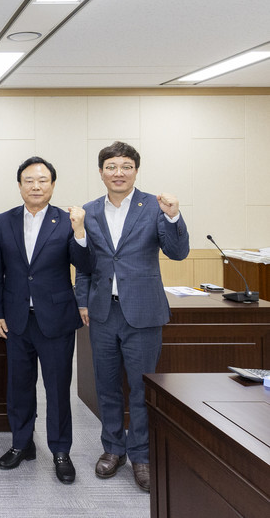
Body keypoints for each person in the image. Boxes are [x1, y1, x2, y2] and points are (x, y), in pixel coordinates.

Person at [75, 141, 189, 492]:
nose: (118, 172)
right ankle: (113, 449)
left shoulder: (155, 206)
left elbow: (178, 252)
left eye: (126, 166)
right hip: (103, 312)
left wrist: (173, 216)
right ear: (101, 172)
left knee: (141, 388)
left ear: (136, 171)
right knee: (107, 386)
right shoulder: (89, 211)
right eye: (111, 166)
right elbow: (85, 263)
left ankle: (141, 455)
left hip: (143, 311)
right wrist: (82, 301)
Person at [0, 156, 90, 484]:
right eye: (29, 180)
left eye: (43, 180)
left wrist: (80, 231)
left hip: (56, 319)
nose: (36, 186)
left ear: (53, 185)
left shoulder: (67, 220)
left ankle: (60, 451)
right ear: (19, 185)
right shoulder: (3, 221)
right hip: (17, 319)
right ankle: (21, 444)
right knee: (19, 387)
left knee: (57, 389)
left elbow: (85, 263)